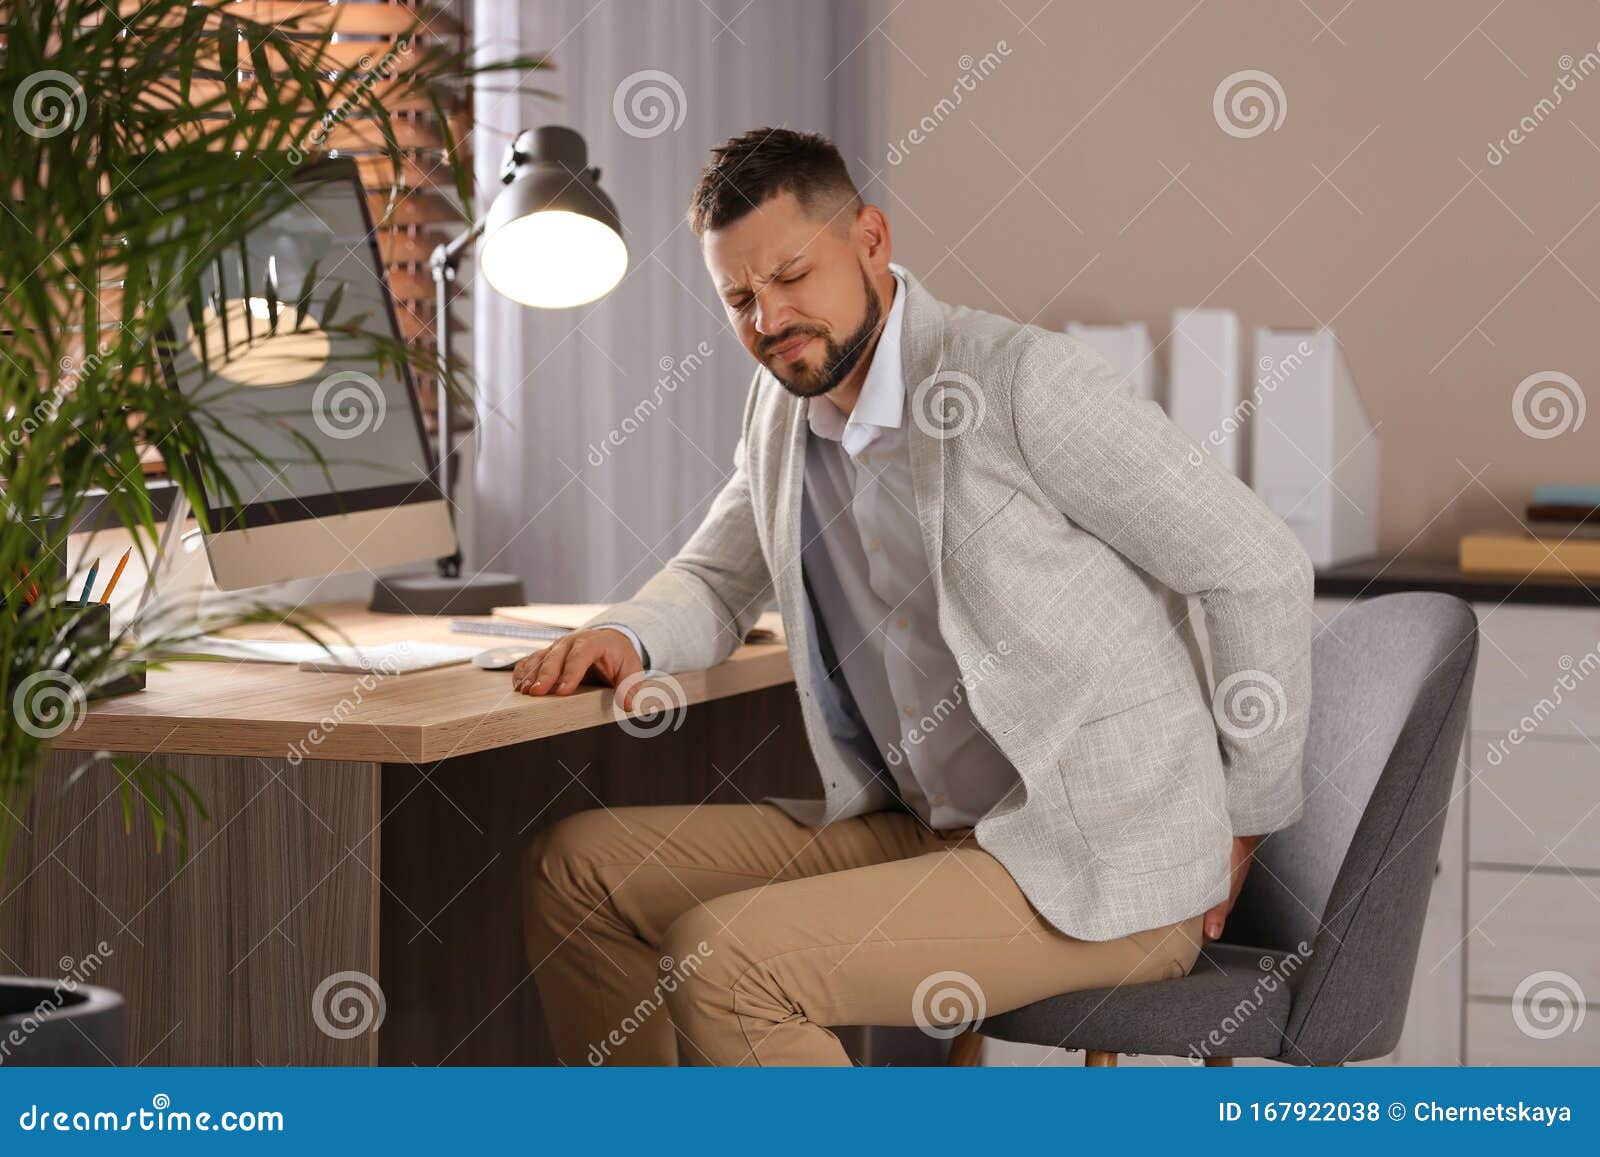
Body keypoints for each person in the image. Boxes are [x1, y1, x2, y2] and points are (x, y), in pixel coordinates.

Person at [514, 127, 1314, 1066]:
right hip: (922, 830)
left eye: (791, 275)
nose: (769, 318)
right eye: (740, 297)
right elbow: (714, 578)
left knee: (726, 963)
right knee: (577, 869)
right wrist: (623, 633)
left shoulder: (1018, 381)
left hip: (1096, 863)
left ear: (871, 241)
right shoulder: (781, 412)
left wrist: (1246, 818)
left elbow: (1255, 561)